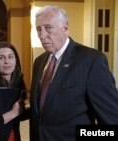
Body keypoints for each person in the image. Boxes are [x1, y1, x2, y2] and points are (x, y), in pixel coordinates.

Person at [29, 5, 118, 141]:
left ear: (65, 27)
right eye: (39, 29)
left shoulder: (91, 60)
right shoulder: (39, 62)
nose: (42, 35)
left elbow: (111, 121)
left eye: (48, 28)